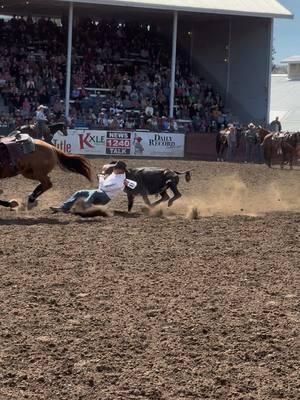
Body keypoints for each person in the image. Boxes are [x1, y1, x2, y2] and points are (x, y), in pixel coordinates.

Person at [50, 161, 137, 213]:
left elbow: (103, 188)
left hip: (104, 197)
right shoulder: (118, 174)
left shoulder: (119, 182)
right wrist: (103, 173)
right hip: (101, 193)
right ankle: (64, 208)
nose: (114, 169)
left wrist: (101, 177)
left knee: (94, 192)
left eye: (116, 168)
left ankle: (85, 208)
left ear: (121, 170)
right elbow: (106, 167)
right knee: (80, 192)